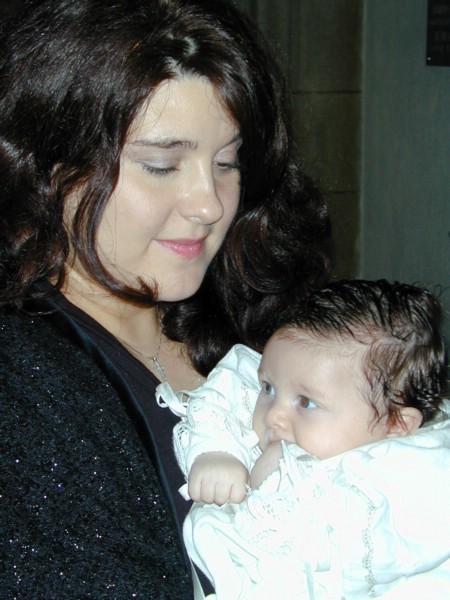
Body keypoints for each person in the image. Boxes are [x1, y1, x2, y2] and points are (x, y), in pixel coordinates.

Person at [0, 0, 331, 597]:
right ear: (50, 170)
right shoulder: (22, 385)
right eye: (161, 165)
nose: (209, 204)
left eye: (227, 163)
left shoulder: (257, 328)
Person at [167, 279, 450, 599]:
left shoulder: (411, 485)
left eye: (306, 402)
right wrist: (217, 452)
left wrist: (267, 485)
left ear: (396, 424)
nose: (274, 414)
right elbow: (229, 389)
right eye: (269, 388)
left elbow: (326, 565)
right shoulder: (287, 400)